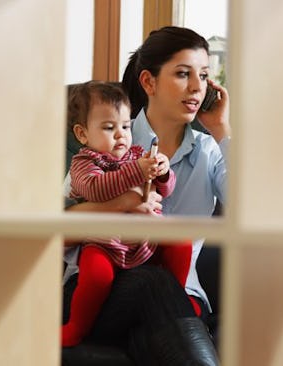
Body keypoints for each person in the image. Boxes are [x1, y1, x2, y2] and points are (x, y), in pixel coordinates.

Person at [63, 26, 229, 365]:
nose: (197, 87)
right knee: (153, 281)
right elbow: (56, 230)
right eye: (183, 74)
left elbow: (253, 208)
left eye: (204, 76)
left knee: (155, 310)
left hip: (178, 296)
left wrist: (221, 128)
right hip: (101, 291)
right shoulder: (107, 136)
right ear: (149, 82)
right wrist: (123, 205)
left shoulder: (209, 152)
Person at [62, 80, 195, 347]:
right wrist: (136, 174)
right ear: (82, 134)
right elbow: (96, 189)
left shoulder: (135, 155)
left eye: (125, 126)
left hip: (142, 240)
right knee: (97, 276)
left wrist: (163, 172)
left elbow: (165, 191)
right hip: (104, 243)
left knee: (181, 243)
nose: (121, 135)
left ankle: (178, 298)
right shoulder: (84, 164)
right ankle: (76, 326)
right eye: (109, 128)